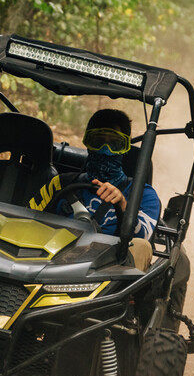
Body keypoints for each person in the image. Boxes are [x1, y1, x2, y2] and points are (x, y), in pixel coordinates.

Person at [68, 109, 160, 270]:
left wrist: (124, 206)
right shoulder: (62, 183)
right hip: (54, 262)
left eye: (115, 144)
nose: (105, 150)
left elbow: (142, 239)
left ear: (125, 148)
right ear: (87, 143)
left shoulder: (144, 195)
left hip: (109, 274)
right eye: (98, 142)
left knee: (140, 246)